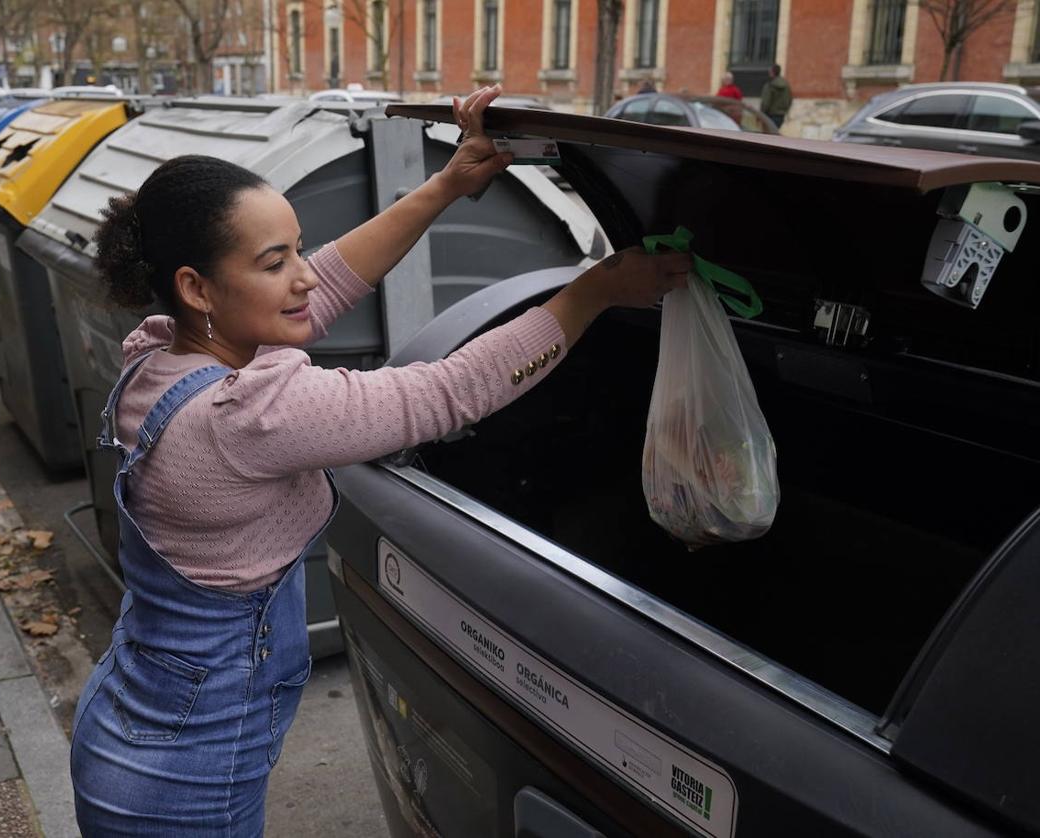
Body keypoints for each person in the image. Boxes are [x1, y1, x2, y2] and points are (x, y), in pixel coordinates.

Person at [68, 84, 689, 835]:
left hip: (133, 723)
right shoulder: (250, 414)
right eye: (274, 262)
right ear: (197, 287)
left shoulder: (161, 354)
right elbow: (449, 391)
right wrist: (592, 292)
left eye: (297, 248)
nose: (301, 275)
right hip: (181, 774)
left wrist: (447, 184)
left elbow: (324, 283)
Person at [759, 63, 793, 129]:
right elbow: (789, 99)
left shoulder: (770, 85)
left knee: (767, 136)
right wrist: (785, 110)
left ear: (772, 72)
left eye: (770, 71)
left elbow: (766, 102)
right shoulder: (786, 85)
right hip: (781, 115)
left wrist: (761, 114)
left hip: (770, 115)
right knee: (774, 135)